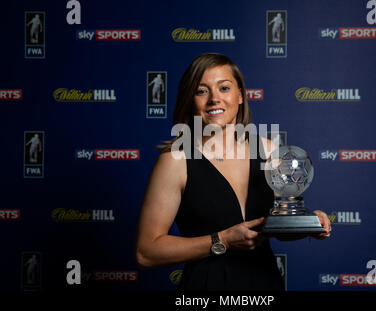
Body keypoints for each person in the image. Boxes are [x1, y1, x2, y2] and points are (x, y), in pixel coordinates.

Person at [135, 53, 331, 290]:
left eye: (224, 88)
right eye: (202, 91)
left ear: (240, 96)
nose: (214, 99)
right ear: (190, 99)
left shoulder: (268, 150)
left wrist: (310, 223)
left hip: (264, 284)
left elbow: (278, 226)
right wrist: (222, 240)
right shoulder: (176, 159)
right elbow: (147, 252)